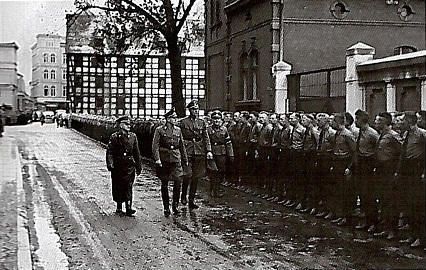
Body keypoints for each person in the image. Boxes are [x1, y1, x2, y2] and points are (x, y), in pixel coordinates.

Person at [396, 111, 426, 248]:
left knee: (417, 205)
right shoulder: (406, 134)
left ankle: (421, 237)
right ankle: (412, 235)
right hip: (407, 170)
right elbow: (403, 154)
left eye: (402, 121)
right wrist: (398, 171)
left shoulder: (422, 134)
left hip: (417, 169)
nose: (400, 123)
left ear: (410, 121)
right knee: (408, 203)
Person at [152, 108, 188, 216]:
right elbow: (155, 146)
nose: (175, 119)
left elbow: (181, 145)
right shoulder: (160, 130)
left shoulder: (178, 130)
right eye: (173, 118)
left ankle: (175, 205)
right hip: (164, 159)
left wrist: (185, 159)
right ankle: (166, 207)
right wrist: (157, 159)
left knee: (178, 182)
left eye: (175, 117)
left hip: (176, 158)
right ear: (168, 119)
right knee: (164, 183)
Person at [179, 100, 213, 210]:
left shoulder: (202, 122)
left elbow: (206, 137)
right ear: (190, 110)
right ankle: (183, 195)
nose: (196, 111)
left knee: (196, 177)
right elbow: (179, 137)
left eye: (197, 109)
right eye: (193, 109)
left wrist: (208, 150)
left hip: (199, 151)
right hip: (187, 150)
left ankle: (191, 200)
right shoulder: (183, 122)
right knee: (187, 175)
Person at [106, 115, 142, 216]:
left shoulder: (133, 137)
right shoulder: (114, 137)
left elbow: (137, 153)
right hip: (118, 165)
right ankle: (119, 206)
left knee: (129, 185)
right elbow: (110, 152)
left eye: (129, 124)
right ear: (121, 125)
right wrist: (110, 163)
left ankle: (129, 207)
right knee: (118, 185)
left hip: (129, 165)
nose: (128, 126)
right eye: (126, 124)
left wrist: (139, 166)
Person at [354, 109, 379, 233]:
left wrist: (374, 165)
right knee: (363, 194)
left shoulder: (372, 133)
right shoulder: (360, 132)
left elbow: (378, 149)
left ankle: (373, 222)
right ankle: (366, 221)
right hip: (361, 164)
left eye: (356, 119)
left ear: (361, 120)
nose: (355, 121)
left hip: (369, 164)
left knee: (369, 195)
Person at [207, 110, 234, 197]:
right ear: (212, 120)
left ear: (221, 120)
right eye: (214, 119)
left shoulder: (224, 129)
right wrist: (208, 151)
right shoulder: (208, 129)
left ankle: (217, 188)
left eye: (218, 119)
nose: (216, 121)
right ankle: (213, 190)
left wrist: (231, 154)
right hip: (212, 152)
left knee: (221, 171)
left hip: (222, 153)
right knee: (213, 172)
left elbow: (228, 142)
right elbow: (206, 142)